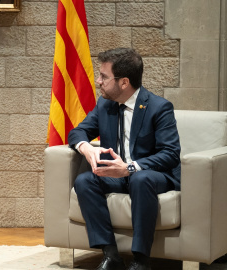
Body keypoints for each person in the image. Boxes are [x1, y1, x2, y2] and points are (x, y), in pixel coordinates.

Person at [68, 48, 181, 270]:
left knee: (140, 179)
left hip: (151, 176)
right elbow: (77, 132)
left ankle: (141, 260)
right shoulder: (105, 105)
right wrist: (85, 148)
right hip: (117, 176)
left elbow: (170, 153)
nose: (98, 81)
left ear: (124, 82)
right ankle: (111, 255)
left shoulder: (159, 107)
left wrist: (129, 167)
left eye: (104, 76)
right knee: (85, 180)